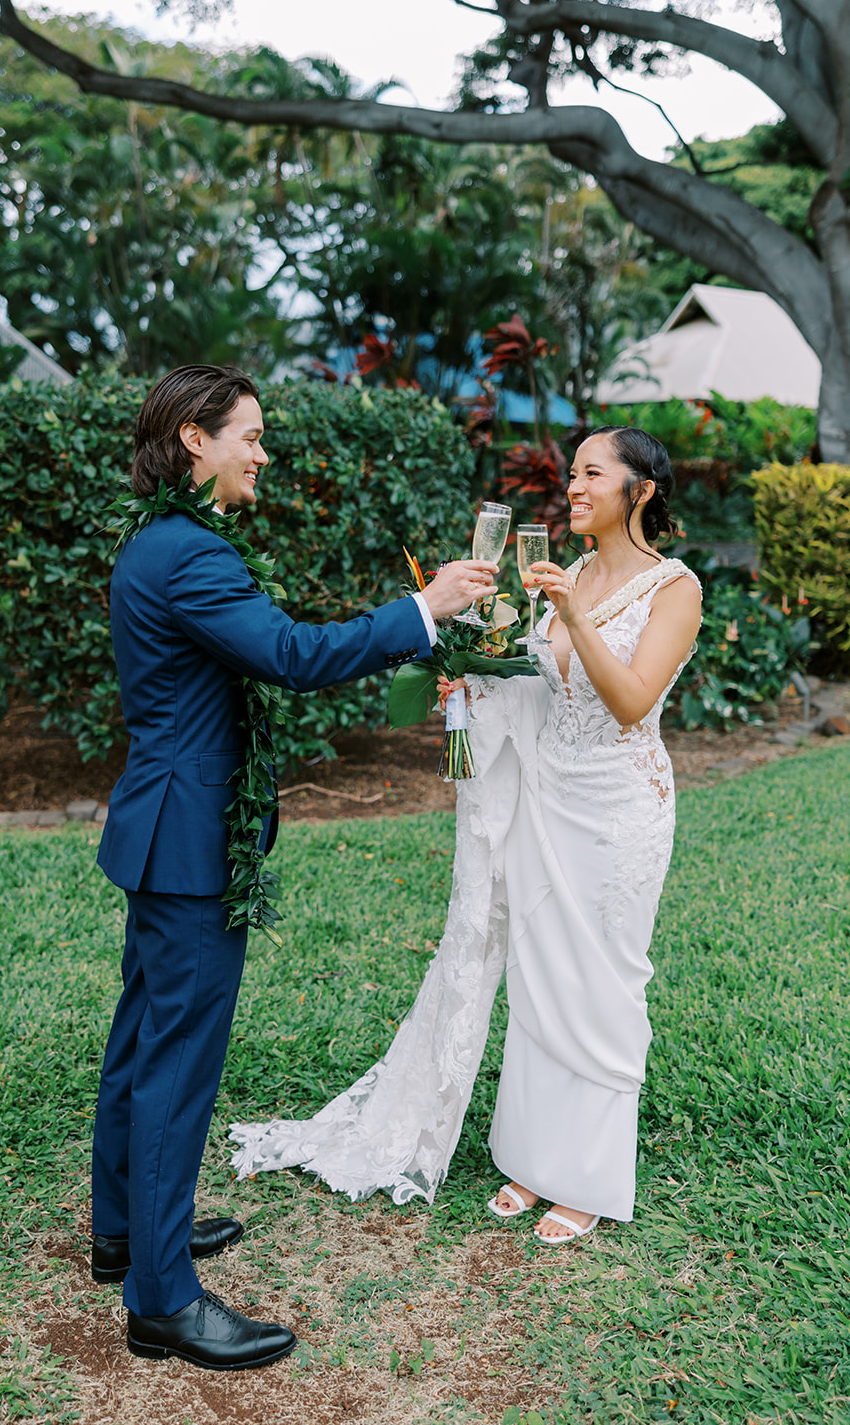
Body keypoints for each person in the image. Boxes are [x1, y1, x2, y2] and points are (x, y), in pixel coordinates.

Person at [91, 364, 498, 1371]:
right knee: (175, 1062)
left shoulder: (161, 541)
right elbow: (288, 653)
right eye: (252, 435)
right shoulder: (186, 552)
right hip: (187, 841)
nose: (263, 452)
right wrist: (424, 606)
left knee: (144, 1038)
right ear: (197, 440)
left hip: (164, 825)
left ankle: (124, 1235)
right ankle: (161, 1301)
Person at [230, 426, 701, 1247]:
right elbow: (542, 694)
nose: (574, 487)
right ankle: (531, 1155)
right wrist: (473, 686)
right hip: (546, 800)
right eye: (572, 474)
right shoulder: (577, 570)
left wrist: (570, 614)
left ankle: (587, 1174)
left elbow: (628, 703)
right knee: (538, 972)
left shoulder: (674, 588)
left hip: (619, 809)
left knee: (602, 979)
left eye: (593, 473)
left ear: (642, 490)